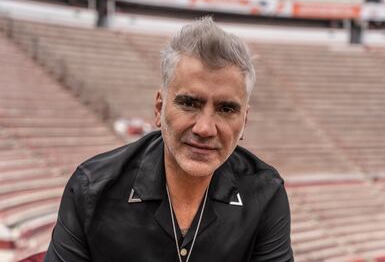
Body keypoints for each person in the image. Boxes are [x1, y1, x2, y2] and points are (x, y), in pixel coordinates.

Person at [45, 16, 294, 262]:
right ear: (159, 108)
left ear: (244, 121)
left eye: (226, 109)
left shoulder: (266, 193)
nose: (205, 128)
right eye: (189, 103)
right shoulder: (91, 188)